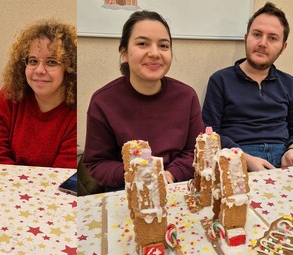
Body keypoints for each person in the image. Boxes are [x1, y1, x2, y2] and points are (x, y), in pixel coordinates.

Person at [83, 10, 204, 190]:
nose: (155, 53)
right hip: (125, 190)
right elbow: (97, 163)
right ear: (124, 52)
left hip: (175, 185)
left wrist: (170, 174)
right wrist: (137, 175)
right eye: (142, 44)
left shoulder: (186, 96)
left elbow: (194, 151)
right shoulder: (103, 101)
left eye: (163, 46)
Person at [202, 2, 293, 171]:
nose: (262, 43)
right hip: (237, 156)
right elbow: (209, 133)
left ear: (283, 47)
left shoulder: (289, 83)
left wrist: (292, 150)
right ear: (246, 38)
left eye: (272, 38)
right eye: (257, 34)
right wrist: (243, 158)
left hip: (284, 156)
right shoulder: (220, 80)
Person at [0, 19, 77, 169]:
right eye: (33, 61)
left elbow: (62, 172)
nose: (39, 70)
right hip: (4, 184)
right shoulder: (9, 96)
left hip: (51, 190)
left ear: (69, 68)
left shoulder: (76, 113)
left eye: (51, 62)